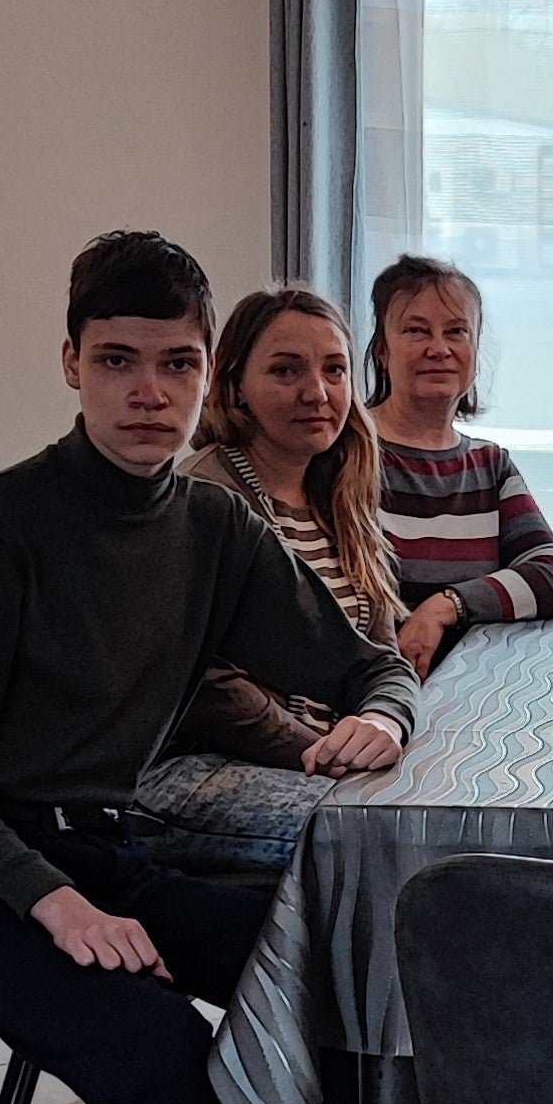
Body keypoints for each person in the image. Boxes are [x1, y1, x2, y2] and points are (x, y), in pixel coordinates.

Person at [0, 231, 417, 1104]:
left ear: (201, 378)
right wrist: (47, 899)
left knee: (362, 987)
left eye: (175, 365)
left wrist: (382, 715)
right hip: (3, 870)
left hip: (113, 847)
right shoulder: (4, 529)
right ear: (70, 362)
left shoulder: (213, 530)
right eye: (118, 361)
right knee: (152, 1047)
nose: (148, 394)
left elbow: (369, 661)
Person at [176, 282, 404, 762]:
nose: (317, 392)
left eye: (335, 370)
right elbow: (205, 681)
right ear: (236, 384)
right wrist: (320, 753)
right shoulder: (205, 493)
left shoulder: (341, 488)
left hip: (336, 758)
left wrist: (384, 719)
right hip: (231, 759)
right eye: (286, 371)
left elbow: (381, 654)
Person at [365, 257, 553, 678]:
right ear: (382, 351)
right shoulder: (348, 453)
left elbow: (552, 575)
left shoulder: (490, 464)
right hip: (369, 701)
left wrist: (446, 606)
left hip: (470, 696)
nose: (439, 349)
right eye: (416, 331)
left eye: (456, 332)